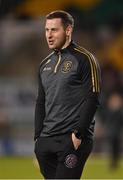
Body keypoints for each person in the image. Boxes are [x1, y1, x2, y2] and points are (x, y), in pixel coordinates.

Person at [34, 10, 101, 179]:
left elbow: (92, 98)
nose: (49, 35)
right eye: (47, 30)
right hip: (46, 141)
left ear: (68, 30)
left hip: (71, 140)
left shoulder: (85, 59)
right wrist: (38, 138)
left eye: (54, 30)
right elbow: (41, 102)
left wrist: (78, 134)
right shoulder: (44, 65)